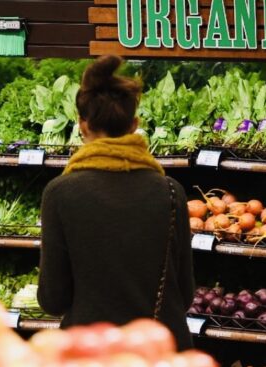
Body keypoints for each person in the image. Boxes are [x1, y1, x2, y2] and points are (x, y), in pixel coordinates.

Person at [36, 55, 194, 350]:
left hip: (93, 356)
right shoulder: (171, 192)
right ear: (134, 125)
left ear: (83, 125)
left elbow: (53, 299)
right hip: (161, 354)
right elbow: (184, 295)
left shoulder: (59, 193)